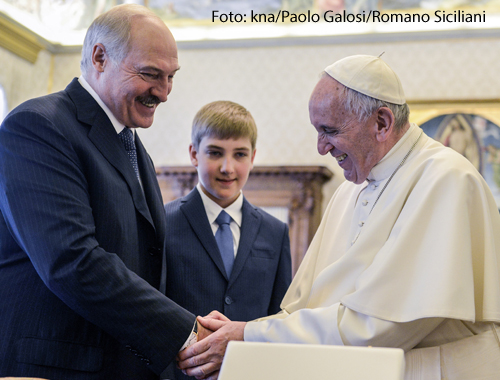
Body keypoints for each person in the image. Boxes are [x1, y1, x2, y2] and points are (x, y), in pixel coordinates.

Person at [177, 55, 500, 380]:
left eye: (329, 130)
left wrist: (246, 335)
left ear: (382, 123)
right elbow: (305, 311)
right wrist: (239, 333)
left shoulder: (447, 179)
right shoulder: (349, 191)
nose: (320, 148)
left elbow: (381, 325)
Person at [0, 4, 208, 379]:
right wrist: (186, 332)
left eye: (171, 77)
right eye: (150, 74)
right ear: (99, 57)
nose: (163, 93)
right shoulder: (37, 126)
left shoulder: (132, 145)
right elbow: (72, 261)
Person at [164, 100, 292, 379]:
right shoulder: (162, 223)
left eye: (240, 155)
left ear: (253, 157)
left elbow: (279, 315)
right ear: (194, 154)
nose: (227, 167)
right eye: (215, 152)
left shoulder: (275, 231)